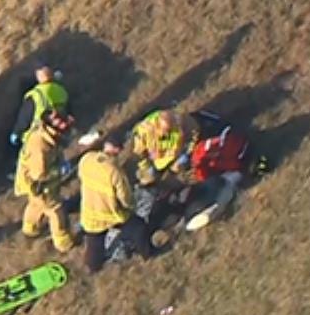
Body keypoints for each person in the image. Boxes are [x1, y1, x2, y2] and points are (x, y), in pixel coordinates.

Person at [78, 136, 154, 272]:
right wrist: (131, 206)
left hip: (89, 212)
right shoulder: (115, 171)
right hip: (111, 214)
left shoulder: (86, 159)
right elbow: (125, 198)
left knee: (94, 243)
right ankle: (148, 255)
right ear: (117, 150)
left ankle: (92, 267)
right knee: (139, 228)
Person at [14, 109, 77, 252]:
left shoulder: (45, 135)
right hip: (40, 185)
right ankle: (63, 243)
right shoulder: (41, 146)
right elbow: (40, 174)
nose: (64, 124)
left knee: (35, 204)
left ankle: (30, 229)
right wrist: (59, 170)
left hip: (32, 184)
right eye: (60, 122)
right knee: (55, 210)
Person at [128, 108, 202, 186]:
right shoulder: (144, 131)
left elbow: (195, 134)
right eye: (164, 130)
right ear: (157, 125)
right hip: (152, 161)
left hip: (174, 158)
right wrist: (147, 167)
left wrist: (187, 153)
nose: (166, 134)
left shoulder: (181, 121)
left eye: (169, 130)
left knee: (177, 179)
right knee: (148, 179)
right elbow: (138, 154)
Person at [20, 65, 71, 130]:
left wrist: (17, 132)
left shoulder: (35, 94)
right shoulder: (61, 90)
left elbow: (25, 117)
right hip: (63, 127)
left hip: (42, 131)